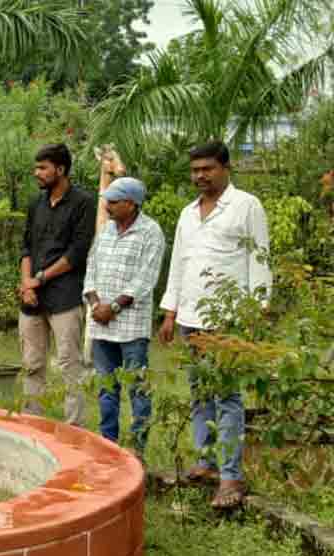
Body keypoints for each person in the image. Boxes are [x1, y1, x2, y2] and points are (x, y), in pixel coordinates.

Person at [158, 141, 271, 509]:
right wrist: (170, 311)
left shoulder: (246, 206)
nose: (200, 176)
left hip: (229, 318)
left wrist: (256, 311)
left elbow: (260, 260)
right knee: (200, 393)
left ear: (226, 168)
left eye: (207, 169)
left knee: (227, 396)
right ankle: (206, 462)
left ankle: (231, 475)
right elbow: (180, 262)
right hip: (191, 317)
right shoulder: (189, 212)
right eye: (194, 170)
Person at [82, 177, 166, 458]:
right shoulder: (105, 230)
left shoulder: (151, 232)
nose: (107, 206)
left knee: (137, 389)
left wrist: (113, 307)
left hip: (130, 327)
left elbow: (146, 278)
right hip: (100, 324)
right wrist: (95, 302)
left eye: (114, 202)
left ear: (132, 204)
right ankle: (109, 447)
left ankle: (137, 450)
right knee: (107, 390)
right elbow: (91, 266)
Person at [19, 143, 95, 425]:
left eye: (42, 168)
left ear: (60, 169)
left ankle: (75, 429)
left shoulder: (83, 202)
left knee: (69, 365)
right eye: (36, 167)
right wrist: (27, 285)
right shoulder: (35, 204)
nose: (36, 172)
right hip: (31, 299)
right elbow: (26, 248)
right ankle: (32, 424)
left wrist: (38, 280)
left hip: (65, 295)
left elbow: (76, 254)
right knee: (32, 364)